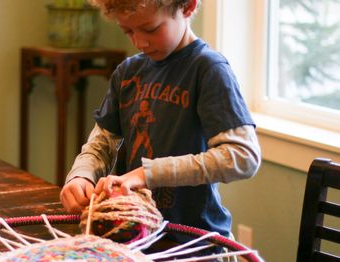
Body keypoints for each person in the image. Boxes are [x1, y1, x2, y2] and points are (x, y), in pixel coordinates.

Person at [59, 0, 261, 241]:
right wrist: (81, 175)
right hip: (135, 235)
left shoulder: (209, 69)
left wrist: (147, 174)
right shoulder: (127, 73)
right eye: (128, 31)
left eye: (151, 29)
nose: (139, 42)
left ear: (187, 7)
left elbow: (243, 156)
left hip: (195, 242)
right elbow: (101, 143)